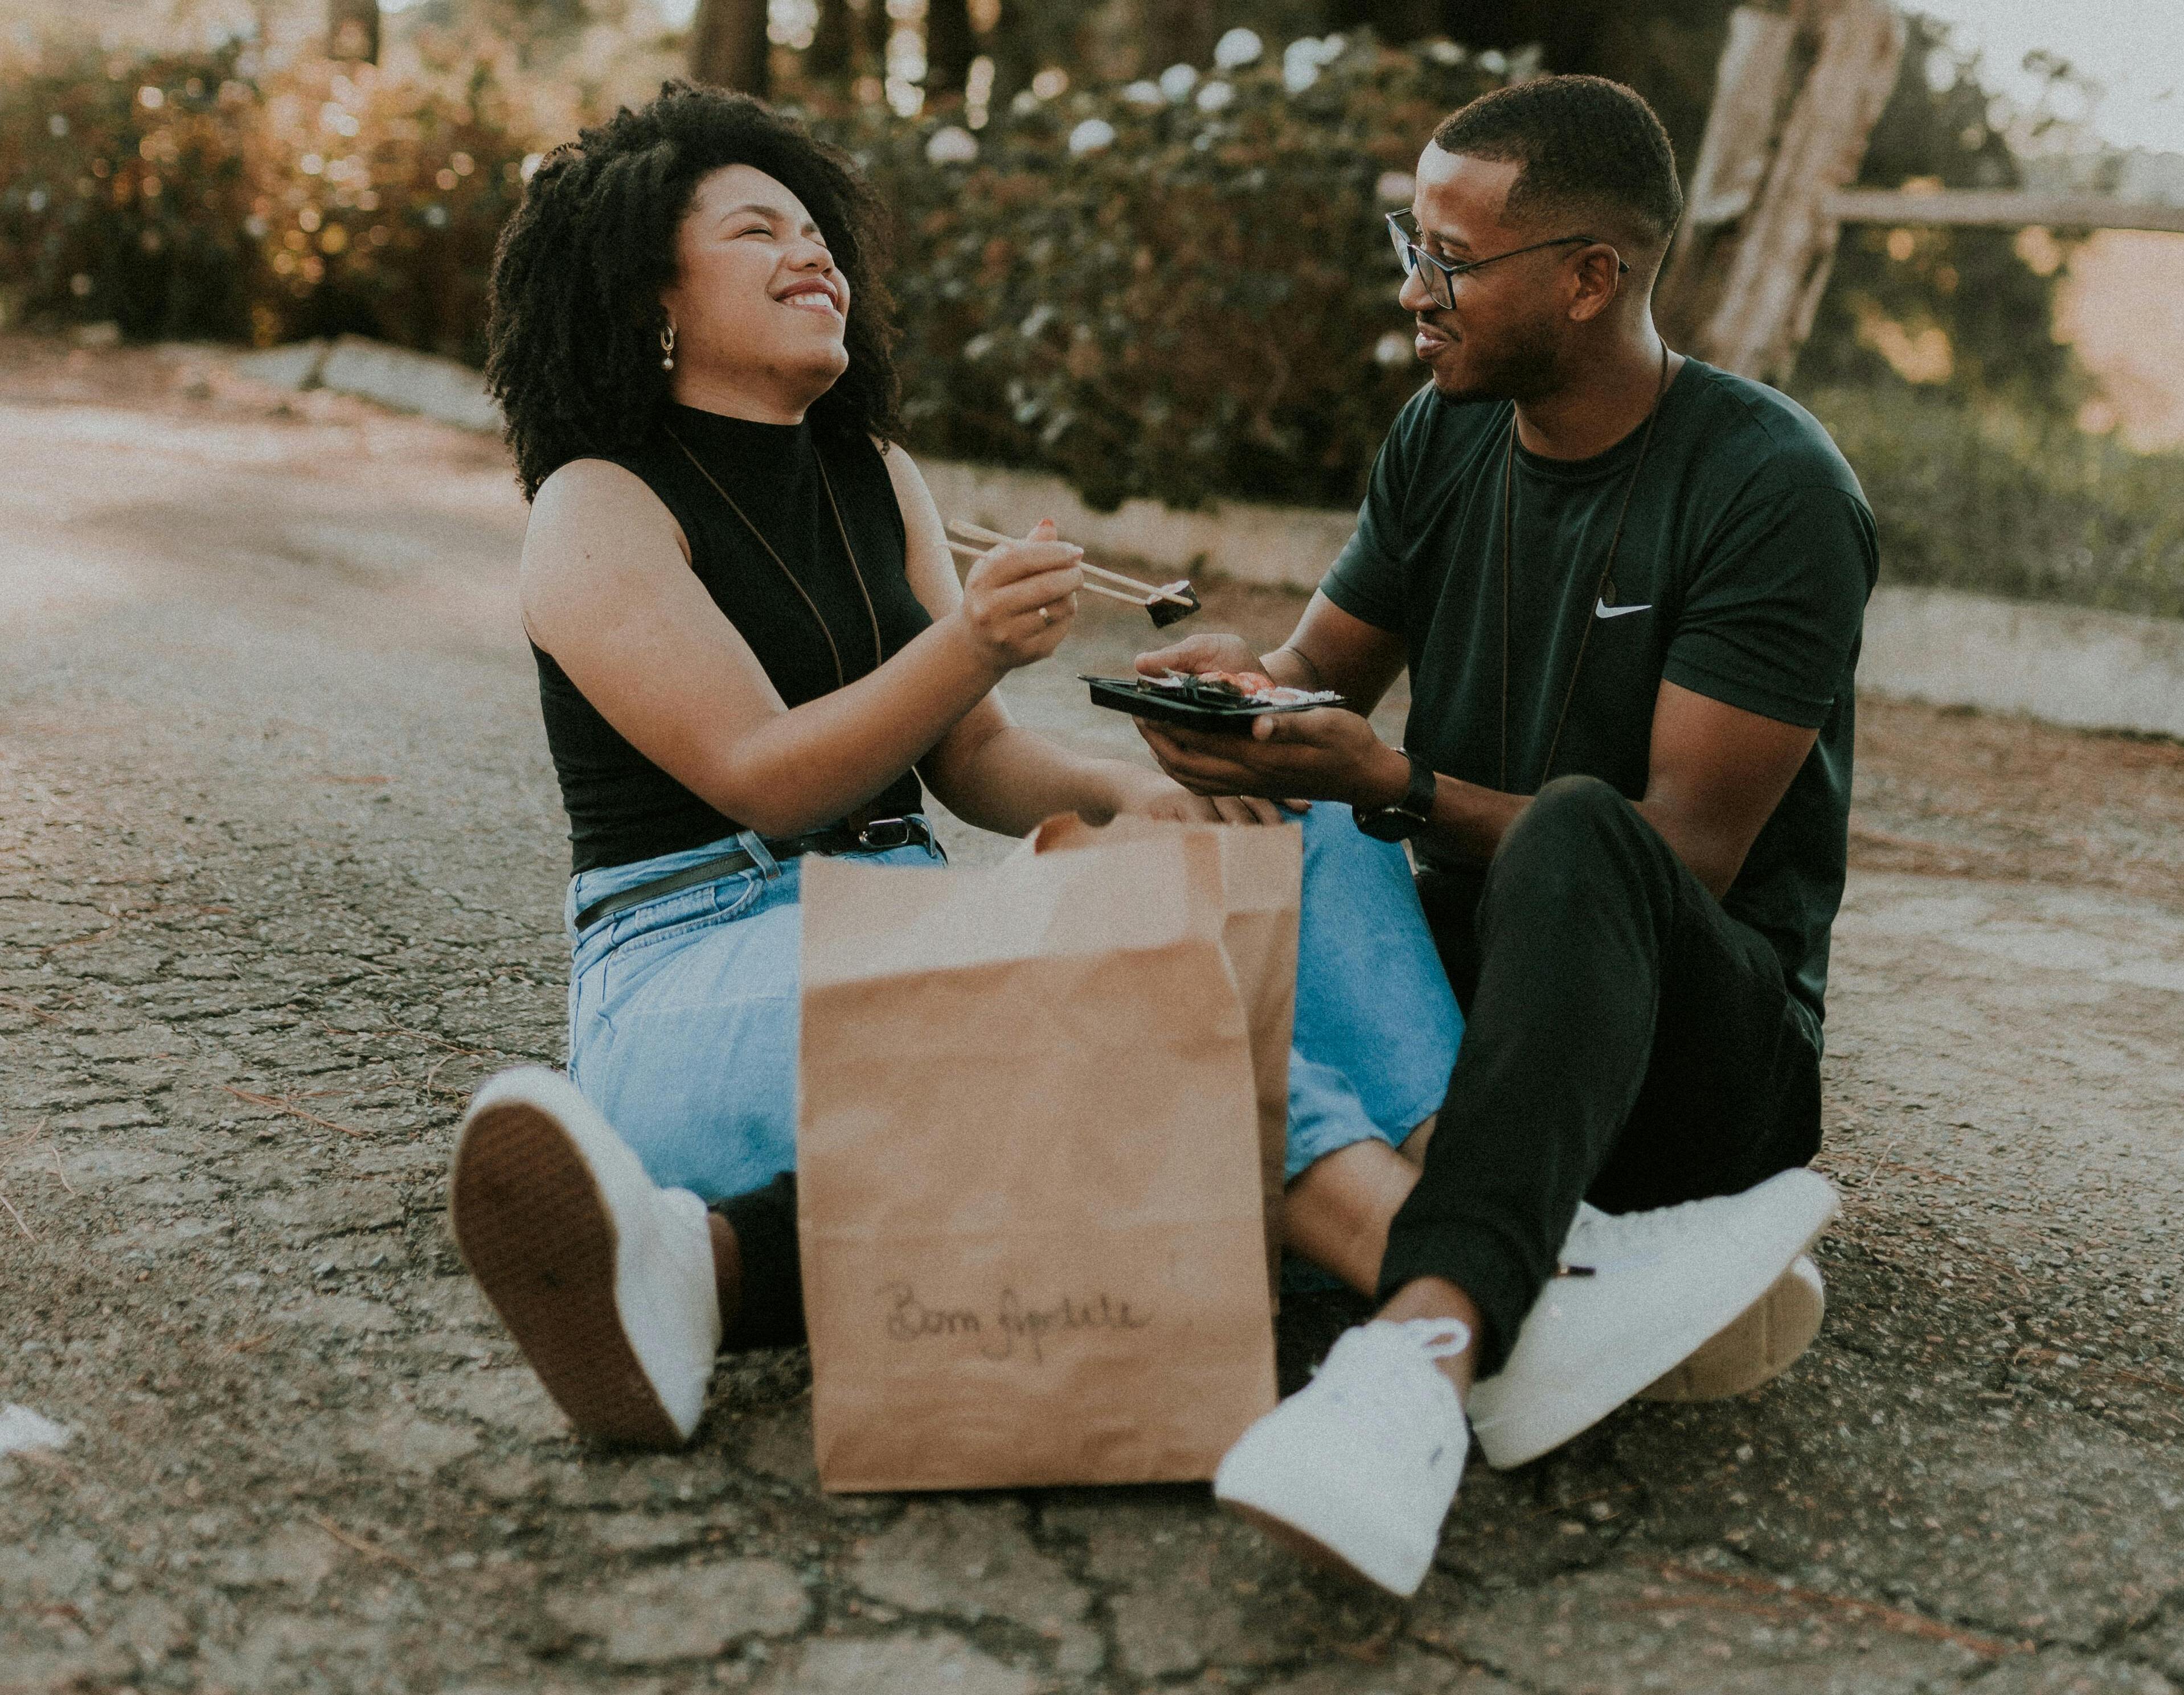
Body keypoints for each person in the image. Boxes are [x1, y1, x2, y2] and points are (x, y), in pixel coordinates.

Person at [446, 84, 1464, 1451]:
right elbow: (764, 776)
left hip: (906, 922)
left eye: (815, 230)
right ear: (650, 301)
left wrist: (1166, 797)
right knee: (1108, 964)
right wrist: (972, 640)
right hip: (699, 971)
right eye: (756, 232)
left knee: (1299, 826)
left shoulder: (875, 474)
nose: (811, 252)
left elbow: (973, 757)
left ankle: (1479, 1188)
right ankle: (1466, 1281)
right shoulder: (596, 504)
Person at [1130, 76, 1878, 1596]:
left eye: (1451, 259)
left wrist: (1397, 786)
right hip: (1473, 1015)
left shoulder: (1770, 486)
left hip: (1697, 1054)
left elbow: (1682, 857)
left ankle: (1420, 1354)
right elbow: (1318, 684)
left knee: (1581, 832)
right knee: (1193, 847)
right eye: (1411, 243)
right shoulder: (1442, 434)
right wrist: (1236, 701)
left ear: (1589, 276)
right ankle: (1562, 1263)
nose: (1414, 289)